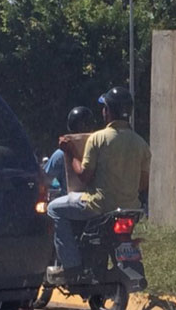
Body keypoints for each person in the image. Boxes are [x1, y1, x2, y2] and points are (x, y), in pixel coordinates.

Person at [47, 87, 151, 283]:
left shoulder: (98, 138)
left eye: (104, 108)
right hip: (130, 209)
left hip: (98, 206)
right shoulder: (141, 144)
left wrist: (69, 152)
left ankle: (70, 266)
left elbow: (84, 176)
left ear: (109, 111)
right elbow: (143, 183)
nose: (103, 111)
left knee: (54, 209)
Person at [43, 106, 95, 196]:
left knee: (51, 208)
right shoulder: (99, 147)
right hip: (98, 198)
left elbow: (45, 179)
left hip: (72, 200)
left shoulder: (61, 153)